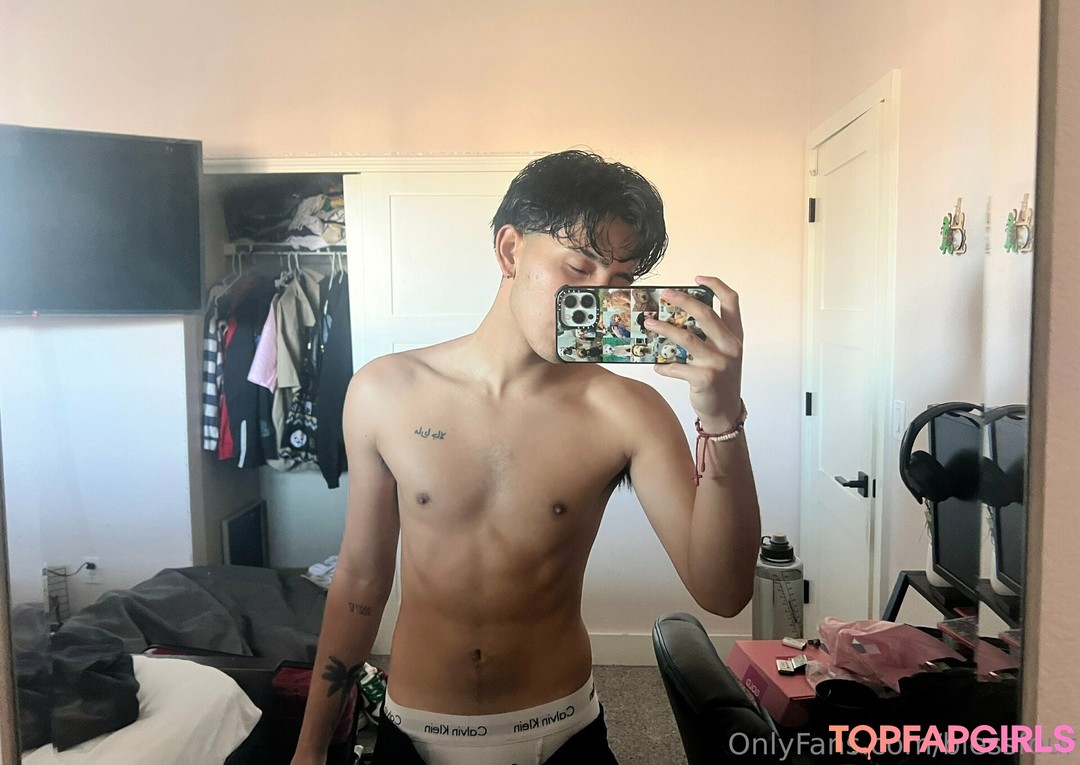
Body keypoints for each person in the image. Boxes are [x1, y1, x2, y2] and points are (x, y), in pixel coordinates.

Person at [291, 150, 761, 765]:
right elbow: (360, 578)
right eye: (579, 266)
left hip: (559, 733)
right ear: (511, 251)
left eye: (620, 281)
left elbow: (723, 592)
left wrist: (722, 419)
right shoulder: (385, 391)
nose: (597, 298)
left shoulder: (626, 411)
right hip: (414, 730)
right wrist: (310, 747)